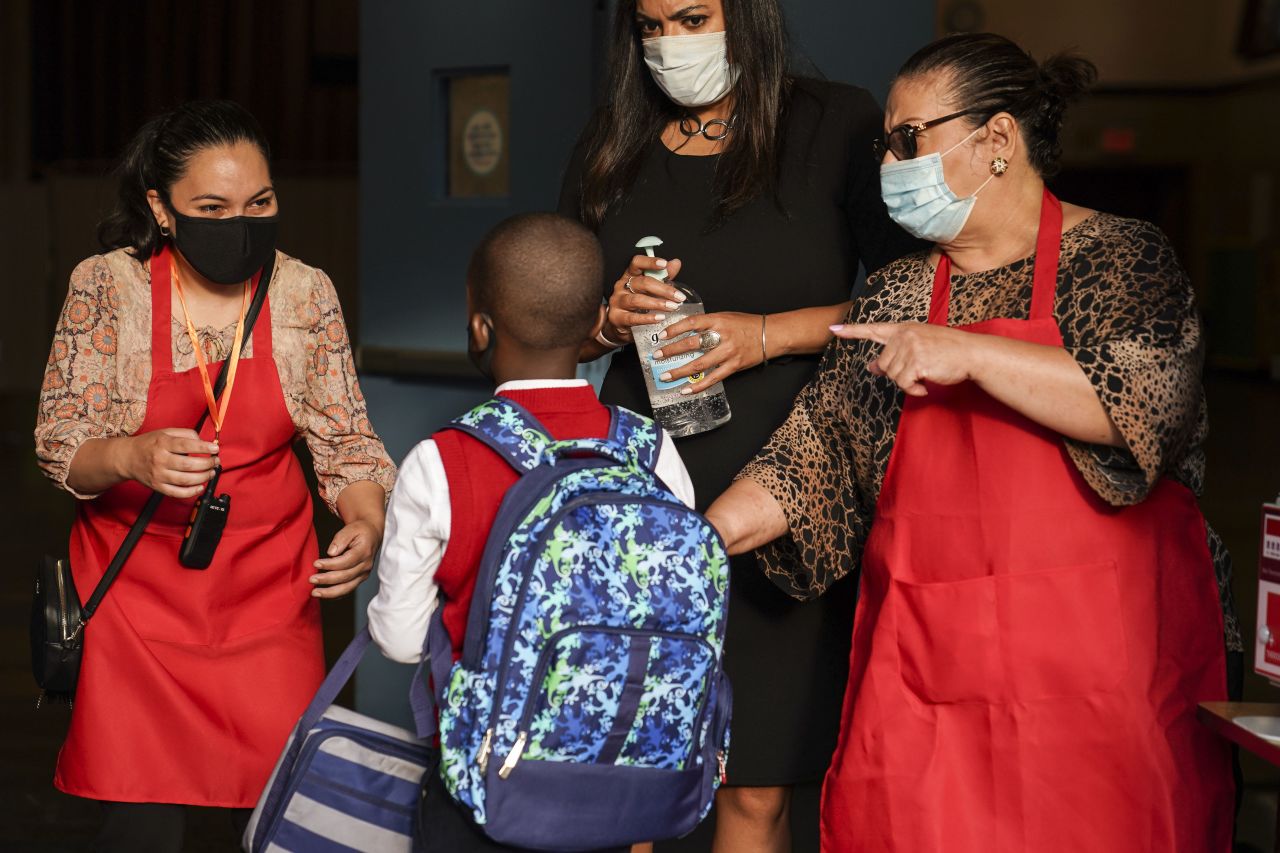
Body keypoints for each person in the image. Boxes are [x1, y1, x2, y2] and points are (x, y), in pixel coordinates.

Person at [704, 32, 1238, 852]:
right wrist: (699, 540)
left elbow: (1143, 404)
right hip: (932, 689)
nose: (891, 162)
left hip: (1110, 687)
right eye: (887, 142)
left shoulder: (1121, 258)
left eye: (910, 139)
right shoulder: (901, 286)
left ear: (997, 140)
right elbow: (815, 453)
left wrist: (967, 351)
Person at [558, 2, 920, 848]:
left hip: (794, 488)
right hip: (645, 497)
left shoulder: (836, 122)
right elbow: (555, 322)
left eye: (692, 18)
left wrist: (766, 335)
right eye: (650, 26)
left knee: (755, 790)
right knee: (629, 770)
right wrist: (607, 322)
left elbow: (914, 303)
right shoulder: (609, 143)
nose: (670, 45)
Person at [34, 100, 396, 851]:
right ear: (162, 210)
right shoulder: (110, 289)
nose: (241, 223)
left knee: (272, 817)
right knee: (141, 822)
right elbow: (60, 439)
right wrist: (132, 456)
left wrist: (366, 519)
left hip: (268, 596)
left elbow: (348, 444)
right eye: (213, 206)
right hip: (138, 601)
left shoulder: (304, 293)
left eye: (260, 203)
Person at [367, 212, 696, 852]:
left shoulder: (442, 462)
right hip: (621, 783)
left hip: (487, 784)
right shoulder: (651, 451)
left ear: (480, 325)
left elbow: (402, 639)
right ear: (592, 320)